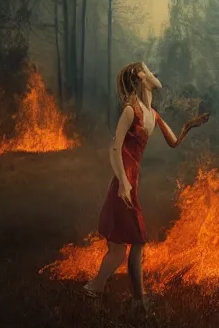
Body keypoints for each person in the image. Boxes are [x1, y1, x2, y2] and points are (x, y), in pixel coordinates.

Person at [82, 62, 209, 312]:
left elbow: (173, 142)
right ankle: (138, 302)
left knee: (119, 250)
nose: (153, 74)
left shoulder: (152, 114)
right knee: (136, 241)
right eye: (148, 70)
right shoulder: (132, 110)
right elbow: (114, 147)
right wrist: (122, 183)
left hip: (131, 181)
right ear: (141, 76)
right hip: (124, 182)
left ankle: (94, 289)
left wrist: (189, 126)